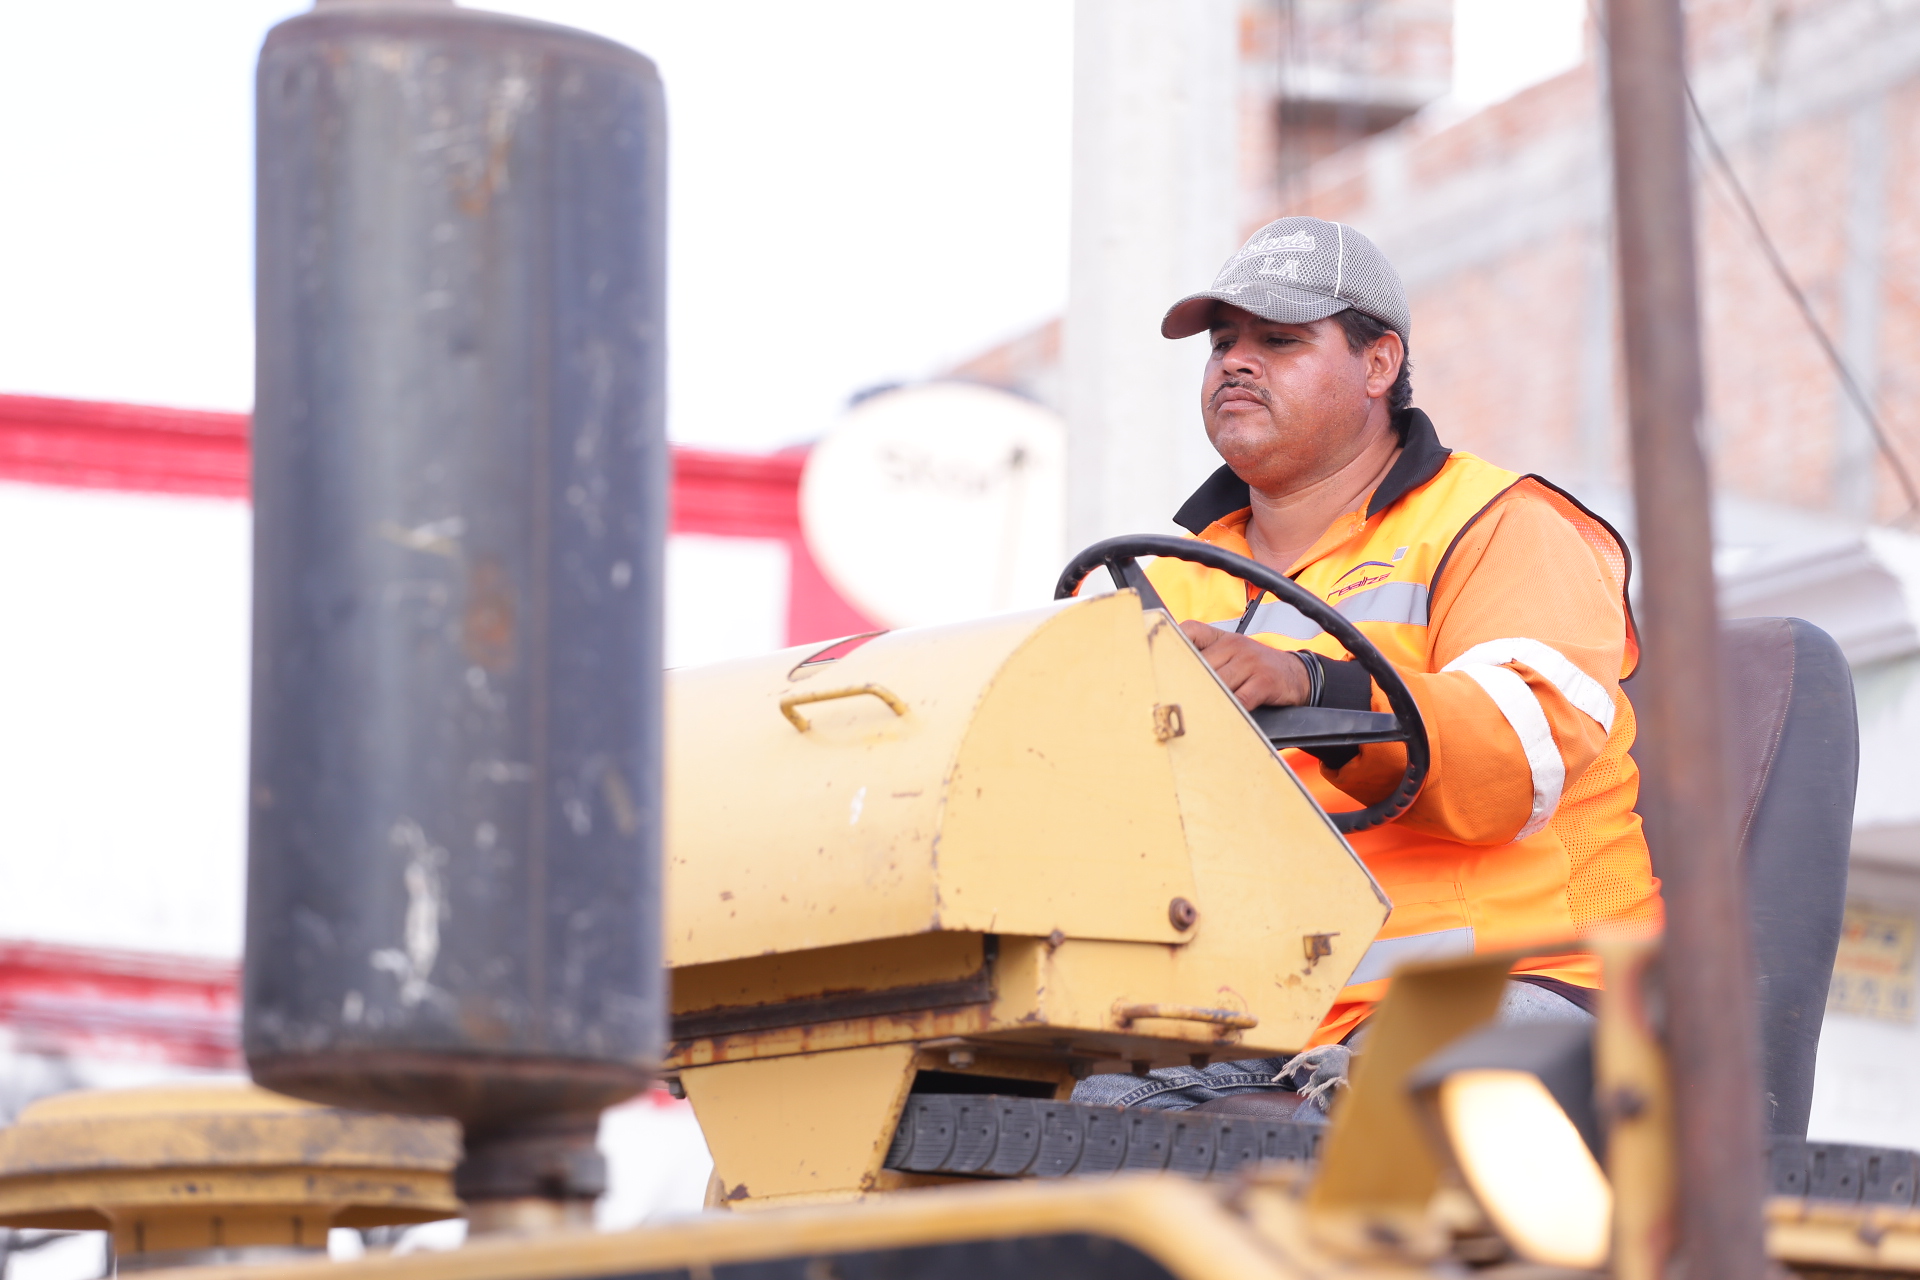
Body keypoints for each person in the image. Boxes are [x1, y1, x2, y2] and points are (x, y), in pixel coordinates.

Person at [1071, 216, 1663, 1117]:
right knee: (1062, 1119)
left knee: (1377, 1117)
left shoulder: (1502, 526)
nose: (1236, 363)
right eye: (1222, 343)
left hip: (1517, 987)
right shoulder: (1166, 585)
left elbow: (1516, 760)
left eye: (1279, 341)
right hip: (1267, 1028)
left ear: (1379, 363)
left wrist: (1310, 685)